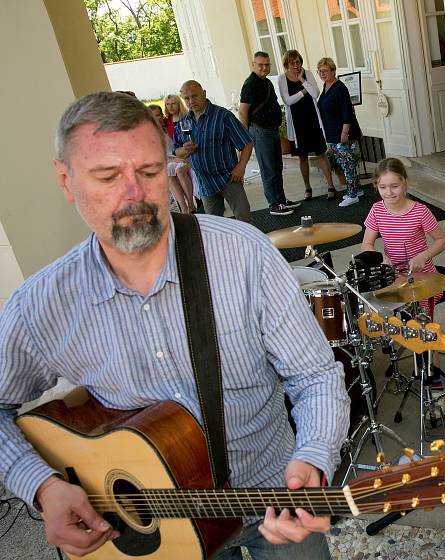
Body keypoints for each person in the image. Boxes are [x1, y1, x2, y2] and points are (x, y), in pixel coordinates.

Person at [0, 91, 350, 559]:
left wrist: (313, 459)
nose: (134, 195)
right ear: (65, 180)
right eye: (107, 176)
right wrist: (43, 485)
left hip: (273, 497)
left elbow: (316, 376)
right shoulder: (40, 305)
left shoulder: (243, 254)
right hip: (154, 531)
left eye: (149, 171)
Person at [361, 157, 445, 389]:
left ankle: (433, 380)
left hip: (423, 278)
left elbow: (442, 240)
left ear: (405, 183)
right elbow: (366, 244)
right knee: (386, 314)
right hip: (395, 278)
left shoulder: (420, 211)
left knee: (424, 327)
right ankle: (402, 346)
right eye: (382, 187)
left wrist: (423, 256)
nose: (389, 192)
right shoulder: (376, 210)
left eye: (395, 186)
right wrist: (382, 257)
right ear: (376, 187)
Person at [174, 80, 253, 222]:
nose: (191, 101)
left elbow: (246, 142)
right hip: (205, 182)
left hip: (229, 178)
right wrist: (184, 150)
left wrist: (241, 167)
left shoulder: (222, 116)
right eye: (187, 98)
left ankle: (254, 244)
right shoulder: (184, 122)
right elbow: (176, 151)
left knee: (244, 221)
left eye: (195, 96)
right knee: (214, 227)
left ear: (204, 94)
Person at [239, 51, 301, 216]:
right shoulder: (250, 84)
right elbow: (243, 111)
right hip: (260, 131)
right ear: (253, 65)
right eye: (260, 65)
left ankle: (280, 200)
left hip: (271, 130)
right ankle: (274, 204)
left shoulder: (265, 82)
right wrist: (245, 137)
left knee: (276, 167)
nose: (264, 68)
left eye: (267, 64)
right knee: (268, 170)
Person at [277, 50, 337, 201]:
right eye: (292, 63)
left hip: (312, 119)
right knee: (302, 157)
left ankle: (330, 186)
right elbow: (288, 101)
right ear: (287, 64)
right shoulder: (282, 79)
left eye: (298, 61)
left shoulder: (307, 74)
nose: (296, 65)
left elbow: (315, 93)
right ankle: (307, 188)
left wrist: (302, 80)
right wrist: (304, 91)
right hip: (297, 124)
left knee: (321, 153)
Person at [316, 57, 363, 208]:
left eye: (325, 70)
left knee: (346, 163)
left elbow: (347, 111)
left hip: (343, 132)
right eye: (320, 71)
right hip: (333, 132)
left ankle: (352, 194)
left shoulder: (339, 88)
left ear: (333, 71)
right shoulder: (326, 86)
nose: (322, 73)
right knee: (345, 162)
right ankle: (357, 189)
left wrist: (344, 133)